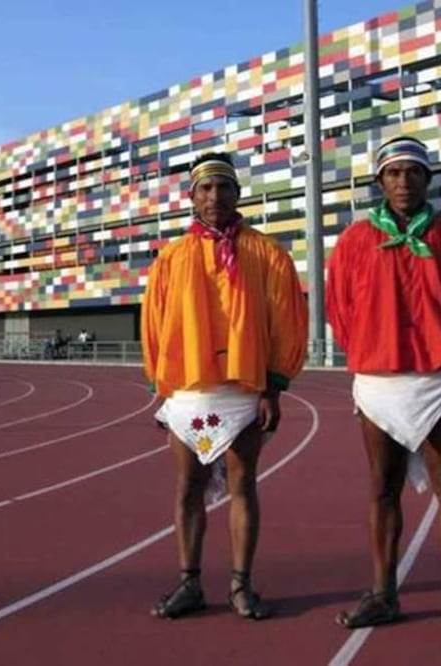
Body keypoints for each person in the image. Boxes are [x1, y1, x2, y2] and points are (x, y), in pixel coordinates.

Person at [325, 135, 441, 640]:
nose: (404, 181)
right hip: (378, 383)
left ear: (427, 179)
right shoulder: (355, 240)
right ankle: (383, 593)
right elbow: (339, 309)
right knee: (382, 489)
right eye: (393, 173)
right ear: (379, 181)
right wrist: (374, 352)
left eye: (413, 173)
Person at [141, 151, 308, 621]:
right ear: (192, 198)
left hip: (244, 390)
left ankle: (241, 585)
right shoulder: (172, 258)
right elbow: (154, 323)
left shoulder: (266, 253)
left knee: (243, 486)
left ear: (237, 194)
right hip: (188, 391)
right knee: (187, 487)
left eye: (224, 187)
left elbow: (285, 321)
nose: (215, 196)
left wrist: (273, 387)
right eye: (205, 189)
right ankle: (189, 583)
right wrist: (162, 385)